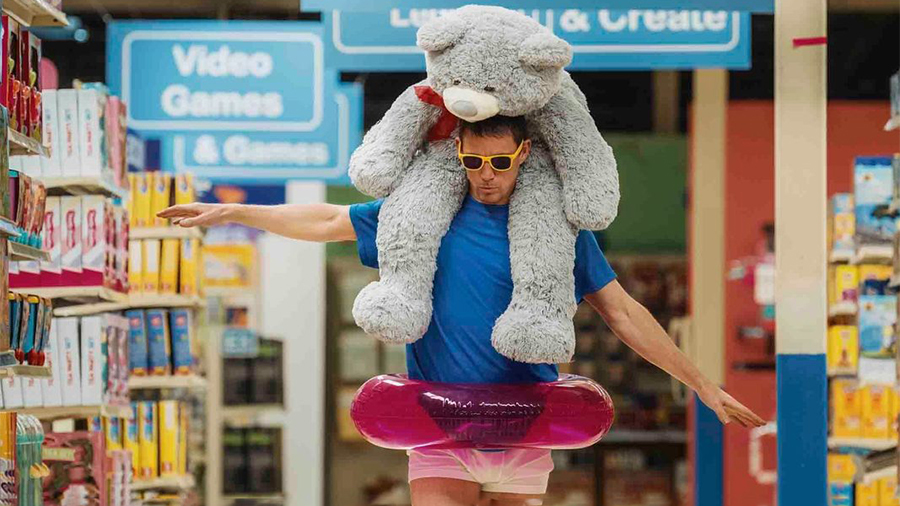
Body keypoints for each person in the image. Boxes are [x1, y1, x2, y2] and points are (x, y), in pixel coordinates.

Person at [159, 115, 765, 506]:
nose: (486, 175)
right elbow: (326, 220)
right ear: (458, 153)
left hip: (523, 426)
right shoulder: (420, 217)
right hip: (438, 429)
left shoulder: (557, 233)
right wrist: (234, 212)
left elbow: (624, 313)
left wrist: (701, 384)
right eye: (474, 162)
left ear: (524, 153)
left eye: (499, 162)